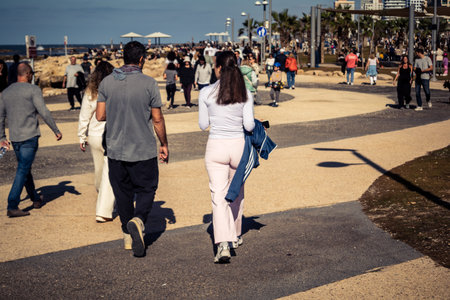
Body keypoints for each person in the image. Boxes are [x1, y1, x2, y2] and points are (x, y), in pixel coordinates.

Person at [96, 41, 169, 257]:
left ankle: (128, 236)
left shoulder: (107, 83)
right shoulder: (149, 83)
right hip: (143, 148)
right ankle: (138, 220)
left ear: (123, 58)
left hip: (116, 148)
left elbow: (100, 115)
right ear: (141, 59)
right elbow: (157, 119)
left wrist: (118, 109)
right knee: (147, 188)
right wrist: (164, 144)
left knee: (123, 193)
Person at [198, 51, 255, 263]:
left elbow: (203, 125)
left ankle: (222, 243)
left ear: (220, 68)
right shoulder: (245, 93)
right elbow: (249, 125)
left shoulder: (206, 93)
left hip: (216, 147)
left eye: (214, 65)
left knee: (218, 196)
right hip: (238, 146)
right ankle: (236, 235)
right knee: (236, 193)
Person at [0, 63, 62, 217]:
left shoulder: (5, 92)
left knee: (25, 169)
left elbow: (0, 117)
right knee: (22, 169)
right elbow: (44, 111)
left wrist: (2, 137)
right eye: (32, 73)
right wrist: (56, 130)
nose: (33, 75)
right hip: (29, 137)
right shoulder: (33, 89)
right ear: (27, 74)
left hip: (15, 138)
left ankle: (35, 199)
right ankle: (12, 205)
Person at [77, 61, 116, 222]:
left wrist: (81, 136)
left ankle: (101, 194)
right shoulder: (114, 90)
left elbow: (84, 115)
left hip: (93, 135)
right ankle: (104, 210)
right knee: (109, 172)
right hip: (110, 135)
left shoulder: (90, 92)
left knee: (99, 169)